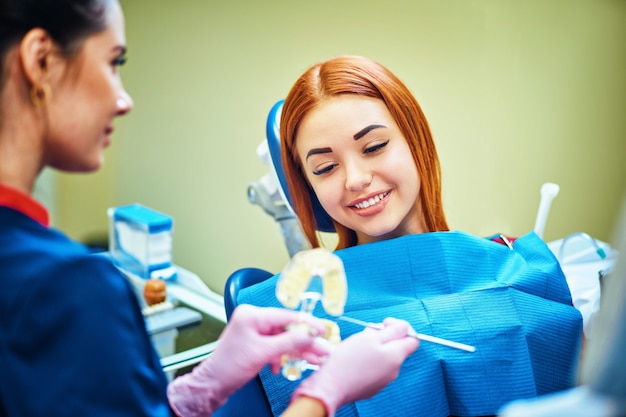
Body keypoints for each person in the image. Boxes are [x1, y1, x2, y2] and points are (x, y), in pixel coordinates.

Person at [0, 3, 419, 416]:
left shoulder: (487, 265)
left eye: (375, 146)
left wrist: (196, 392)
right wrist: (325, 394)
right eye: (114, 62)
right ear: (39, 60)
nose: (124, 99)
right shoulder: (62, 285)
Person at [238, 55, 584, 417]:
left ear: (415, 142)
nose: (355, 179)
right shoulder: (289, 318)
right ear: (307, 188)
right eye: (325, 168)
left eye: (373, 147)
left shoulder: (521, 269)